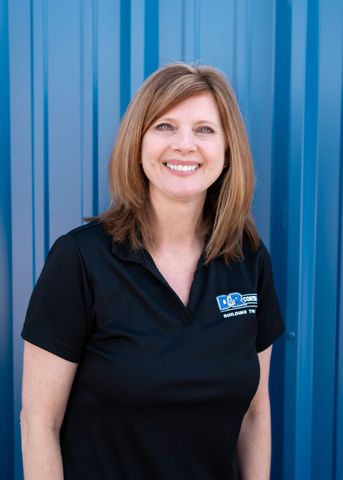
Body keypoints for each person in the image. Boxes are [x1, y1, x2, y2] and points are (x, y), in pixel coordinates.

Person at [20, 62, 284, 480]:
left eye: (204, 129)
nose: (184, 145)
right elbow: (39, 424)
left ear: (228, 149)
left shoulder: (248, 258)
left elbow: (255, 413)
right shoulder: (80, 260)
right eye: (164, 126)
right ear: (137, 143)